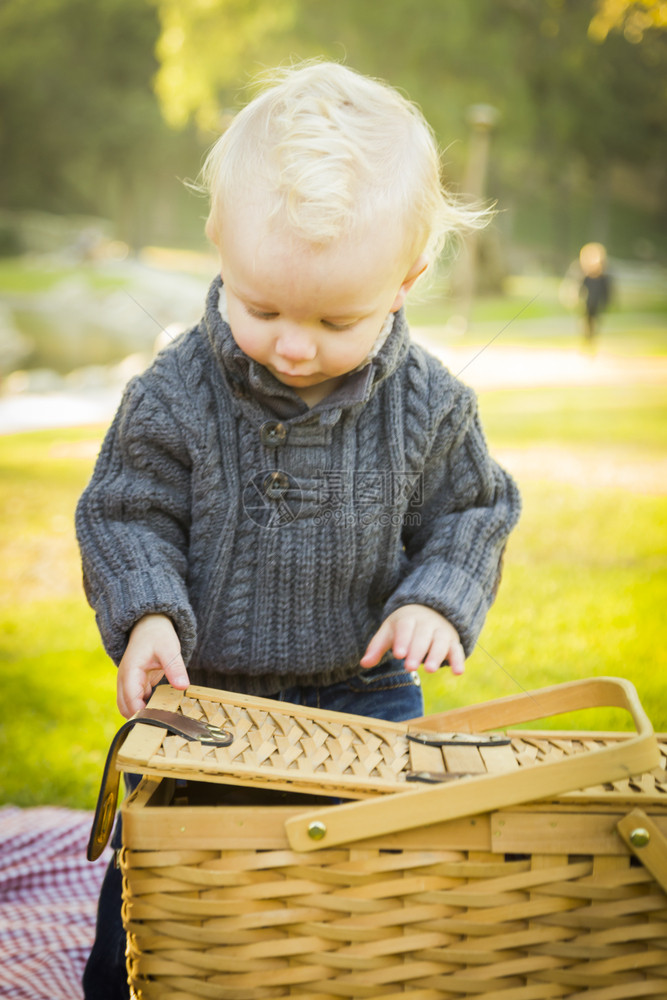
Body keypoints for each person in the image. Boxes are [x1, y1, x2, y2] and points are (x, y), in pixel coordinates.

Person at [76, 60, 521, 998]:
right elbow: (127, 510)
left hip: (364, 697)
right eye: (262, 306)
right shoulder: (173, 391)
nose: (291, 343)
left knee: (374, 889)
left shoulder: (430, 406)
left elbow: (475, 511)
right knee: (163, 879)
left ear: (408, 279)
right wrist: (148, 614)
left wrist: (438, 600)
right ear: (217, 245)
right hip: (207, 709)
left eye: (333, 318)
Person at [579, 241, 612, 346]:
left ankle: (592, 337)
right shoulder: (587, 277)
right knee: (587, 321)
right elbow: (581, 289)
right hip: (588, 303)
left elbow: (607, 291)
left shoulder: (603, 279)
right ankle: (587, 338)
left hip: (597, 303)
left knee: (596, 321)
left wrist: (607, 301)